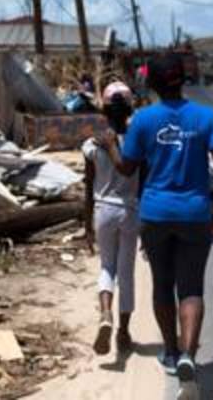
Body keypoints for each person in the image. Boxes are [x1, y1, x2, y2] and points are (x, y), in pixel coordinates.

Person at [119, 54, 213, 399]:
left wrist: (112, 146)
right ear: (184, 80)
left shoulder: (142, 119)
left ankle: (170, 351)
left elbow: (127, 168)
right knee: (192, 289)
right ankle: (188, 355)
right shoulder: (205, 116)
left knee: (162, 284)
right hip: (194, 213)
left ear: (151, 84)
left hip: (155, 214)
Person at [82, 81, 139, 356]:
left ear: (103, 110)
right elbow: (145, 181)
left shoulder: (91, 145)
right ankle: (124, 332)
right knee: (126, 273)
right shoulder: (137, 143)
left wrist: (86, 225)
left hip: (102, 210)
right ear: (130, 108)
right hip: (130, 211)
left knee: (107, 267)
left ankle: (105, 314)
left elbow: (87, 186)